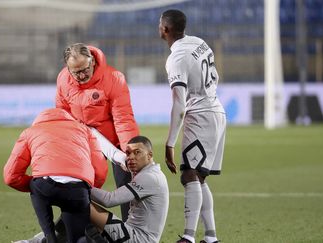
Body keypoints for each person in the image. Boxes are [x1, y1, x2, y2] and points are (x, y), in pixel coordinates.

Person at [159, 9, 227, 243]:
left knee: (189, 175)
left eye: (160, 25)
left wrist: (169, 143)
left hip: (201, 115)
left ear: (165, 29)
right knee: (199, 177)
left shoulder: (176, 59)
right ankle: (211, 238)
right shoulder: (199, 42)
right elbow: (214, 75)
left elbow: (179, 105)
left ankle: (188, 238)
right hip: (216, 110)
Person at [56, 43, 139, 221]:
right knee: (79, 188)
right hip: (85, 142)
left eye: (85, 69)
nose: (81, 75)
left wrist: (128, 151)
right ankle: (79, 230)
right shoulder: (63, 79)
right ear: (67, 69)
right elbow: (62, 113)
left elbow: (123, 119)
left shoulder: (114, 78)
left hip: (116, 141)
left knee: (126, 187)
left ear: (92, 61)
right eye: (75, 72)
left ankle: (131, 232)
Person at [3, 108, 108, 243]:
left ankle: (50, 236)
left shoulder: (30, 132)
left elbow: (11, 176)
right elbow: (99, 170)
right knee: (78, 238)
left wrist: (33, 184)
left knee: (36, 188)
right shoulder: (84, 130)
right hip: (78, 191)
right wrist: (87, 189)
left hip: (45, 187)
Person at [84, 135, 169, 243]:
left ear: (149, 155)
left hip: (139, 239)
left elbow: (109, 200)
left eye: (137, 152)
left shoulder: (149, 177)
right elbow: (114, 153)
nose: (131, 157)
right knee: (82, 215)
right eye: (128, 153)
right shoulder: (149, 171)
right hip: (134, 233)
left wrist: (82, 185)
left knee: (79, 200)